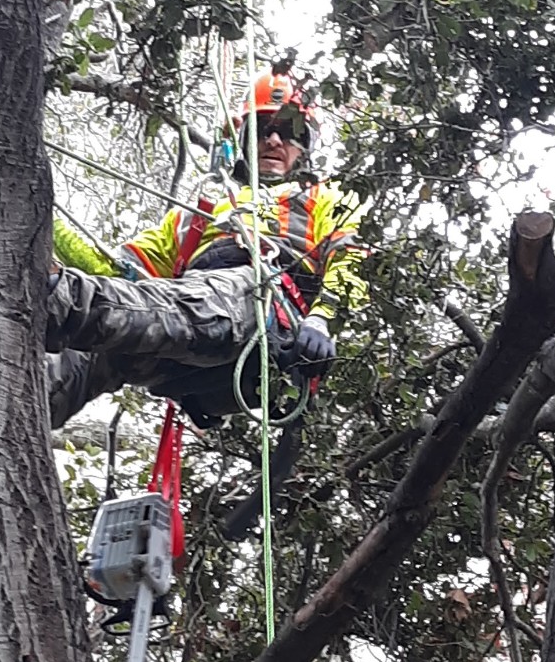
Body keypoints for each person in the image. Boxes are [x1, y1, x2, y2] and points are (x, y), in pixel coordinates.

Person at [45, 63, 366, 429]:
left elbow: (352, 257)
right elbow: (119, 273)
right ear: (242, 138)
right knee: (93, 352)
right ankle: (17, 406)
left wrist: (321, 320)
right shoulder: (203, 211)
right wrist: (42, 218)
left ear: (304, 145)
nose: (274, 141)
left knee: (217, 293)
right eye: (262, 129)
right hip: (186, 337)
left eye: (288, 130)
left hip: (261, 313)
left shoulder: (322, 196)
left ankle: (57, 300)